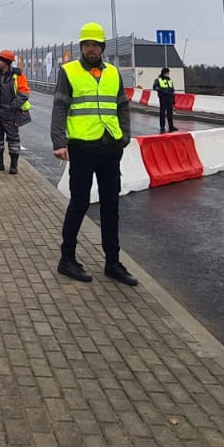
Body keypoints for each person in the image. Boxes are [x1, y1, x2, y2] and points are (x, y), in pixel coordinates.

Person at [51, 22, 137, 285]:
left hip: (110, 146)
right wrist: (59, 141)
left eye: (95, 45)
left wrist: (124, 134)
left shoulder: (113, 73)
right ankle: (67, 260)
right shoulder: (69, 72)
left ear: (102, 47)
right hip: (82, 146)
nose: (91, 49)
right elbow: (59, 108)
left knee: (111, 205)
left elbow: (122, 105)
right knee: (79, 202)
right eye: (87, 45)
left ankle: (112, 263)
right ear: (82, 47)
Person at [0, 50, 30, 173]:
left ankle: (14, 165)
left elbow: (24, 93)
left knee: (13, 139)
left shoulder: (17, 76)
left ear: (7, 62)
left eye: (0, 60)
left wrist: (12, 107)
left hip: (10, 114)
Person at [154, 67, 176, 134]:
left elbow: (172, 90)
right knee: (162, 112)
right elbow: (155, 87)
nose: (168, 74)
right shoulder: (158, 80)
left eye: (168, 73)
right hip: (163, 97)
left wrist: (173, 98)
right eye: (166, 73)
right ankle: (162, 126)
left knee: (170, 113)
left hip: (169, 98)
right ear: (163, 73)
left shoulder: (170, 80)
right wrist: (162, 91)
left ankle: (171, 126)